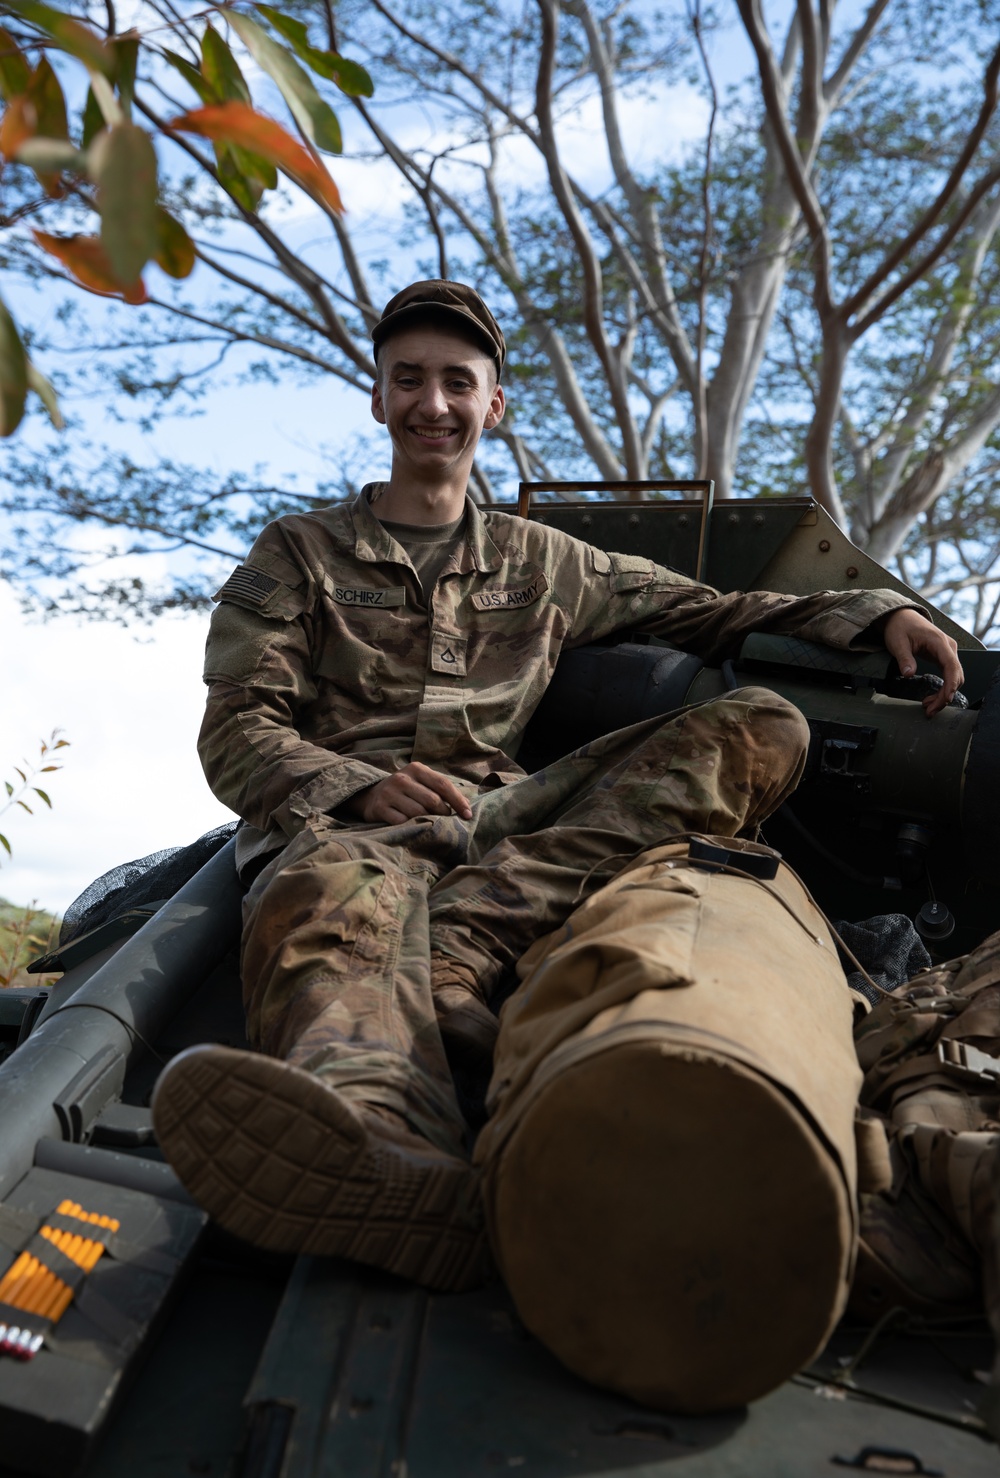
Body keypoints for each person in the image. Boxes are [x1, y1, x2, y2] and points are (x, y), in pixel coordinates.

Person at [151, 280, 964, 1293]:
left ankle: (472, 938)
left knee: (763, 725)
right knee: (333, 917)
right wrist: (357, 787)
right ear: (377, 399)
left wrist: (869, 612)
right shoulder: (298, 554)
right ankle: (385, 1147)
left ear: (494, 406)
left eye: (458, 383)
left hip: (503, 824)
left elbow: (710, 612)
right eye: (409, 381)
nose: (432, 405)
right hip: (344, 829)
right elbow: (236, 729)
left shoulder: (545, 563)